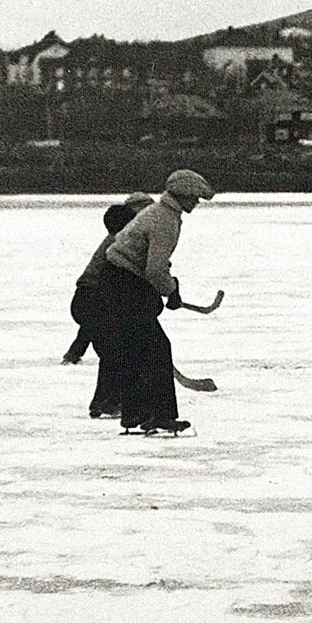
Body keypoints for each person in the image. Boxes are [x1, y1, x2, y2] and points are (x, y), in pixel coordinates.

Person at [100, 169, 216, 434]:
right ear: (184, 195)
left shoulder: (159, 213)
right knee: (156, 347)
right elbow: (154, 269)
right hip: (125, 280)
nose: (197, 202)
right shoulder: (164, 219)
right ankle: (162, 415)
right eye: (195, 197)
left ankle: (134, 414)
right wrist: (170, 289)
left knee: (137, 348)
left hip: (117, 278)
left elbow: (154, 263)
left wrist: (169, 287)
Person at [64, 192, 155, 417]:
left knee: (113, 350)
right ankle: (107, 403)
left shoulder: (124, 236)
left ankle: (107, 402)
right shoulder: (122, 239)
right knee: (116, 351)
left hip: (92, 299)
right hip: (94, 297)